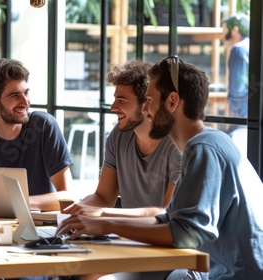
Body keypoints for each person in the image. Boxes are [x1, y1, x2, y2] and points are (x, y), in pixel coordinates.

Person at [58, 56, 263, 279]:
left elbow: (187, 235)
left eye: (149, 100)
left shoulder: (202, 148)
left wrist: (107, 225)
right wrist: (98, 222)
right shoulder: (207, 143)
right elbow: (168, 219)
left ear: (172, 102)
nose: (145, 110)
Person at [63, 60, 182, 218]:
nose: (113, 107)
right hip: (129, 237)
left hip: (161, 239)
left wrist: (103, 213)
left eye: (122, 100)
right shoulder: (118, 136)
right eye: (115, 99)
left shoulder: (178, 146)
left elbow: (167, 214)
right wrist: (77, 209)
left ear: (147, 104)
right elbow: (103, 197)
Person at [0, 58, 74, 211]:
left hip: (40, 227)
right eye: (14, 95)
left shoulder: (43, 126)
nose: (25, 102)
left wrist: (16, 202)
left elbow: (68, 196)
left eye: (26, 92)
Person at [221, 13, 250, 123]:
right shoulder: (250, 45)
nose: (222, 36)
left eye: (224, 31)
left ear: (235, 30)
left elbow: (238, 88)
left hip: (243, 112)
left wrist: (234, 112)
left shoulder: (238, 50)